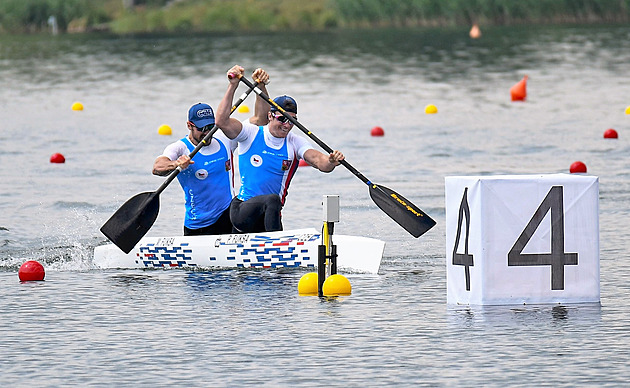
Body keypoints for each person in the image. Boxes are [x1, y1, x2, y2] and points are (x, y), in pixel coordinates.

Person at [215, 64, 345, 233]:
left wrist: (331, 160)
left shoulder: (295, 143)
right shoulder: (250, 133)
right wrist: (233, 85)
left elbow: (320, 163)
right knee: (273, 200)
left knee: (272, 203)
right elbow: (221, 121)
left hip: (270, 216)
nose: (287, 125)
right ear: (270, 116)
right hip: (242, 213)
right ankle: (276, 243)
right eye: (282, 119)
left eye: (293, 121)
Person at [152, 102, 236, 236]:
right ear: (189, 126)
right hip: (199, 224)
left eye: (210, 127)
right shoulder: (180, 148)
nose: (207, 133)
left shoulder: (224, 139)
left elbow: (256, 122)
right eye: (202, 128)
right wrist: (176, 163)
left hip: (227, 216)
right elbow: (157, 167)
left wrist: (234, 85)